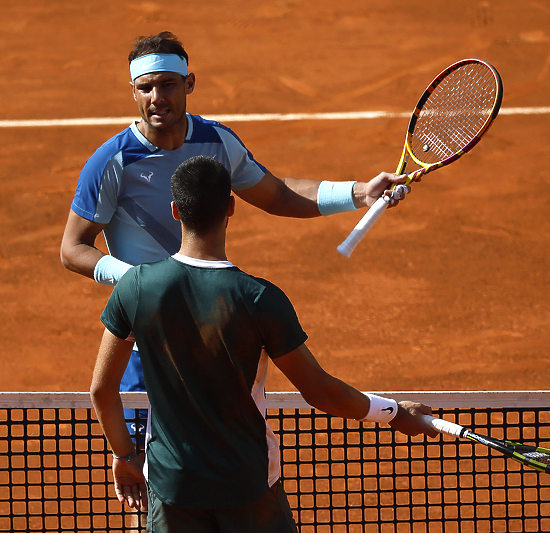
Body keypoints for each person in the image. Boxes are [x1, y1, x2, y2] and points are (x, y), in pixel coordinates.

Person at [63, 31, 414, 448]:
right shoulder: (113, 161)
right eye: (146, 87)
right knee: (149, 469)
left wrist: (359, 193)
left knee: (218, 449)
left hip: (212, 332)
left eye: (168, 84)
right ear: (133, 91)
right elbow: (73, 249)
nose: (157, 96)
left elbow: (278, 194)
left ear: (189, 83)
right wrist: (137, 280)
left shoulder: (216, 141)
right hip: (148, 340)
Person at [89, 155, 436, 532]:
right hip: (249, 487)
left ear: (175, 210)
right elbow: (320, 391)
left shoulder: (135, 288)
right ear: (231, 207)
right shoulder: (259, 299)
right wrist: (395, 413)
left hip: (174, 488)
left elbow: (103, 389)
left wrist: (124, 456)